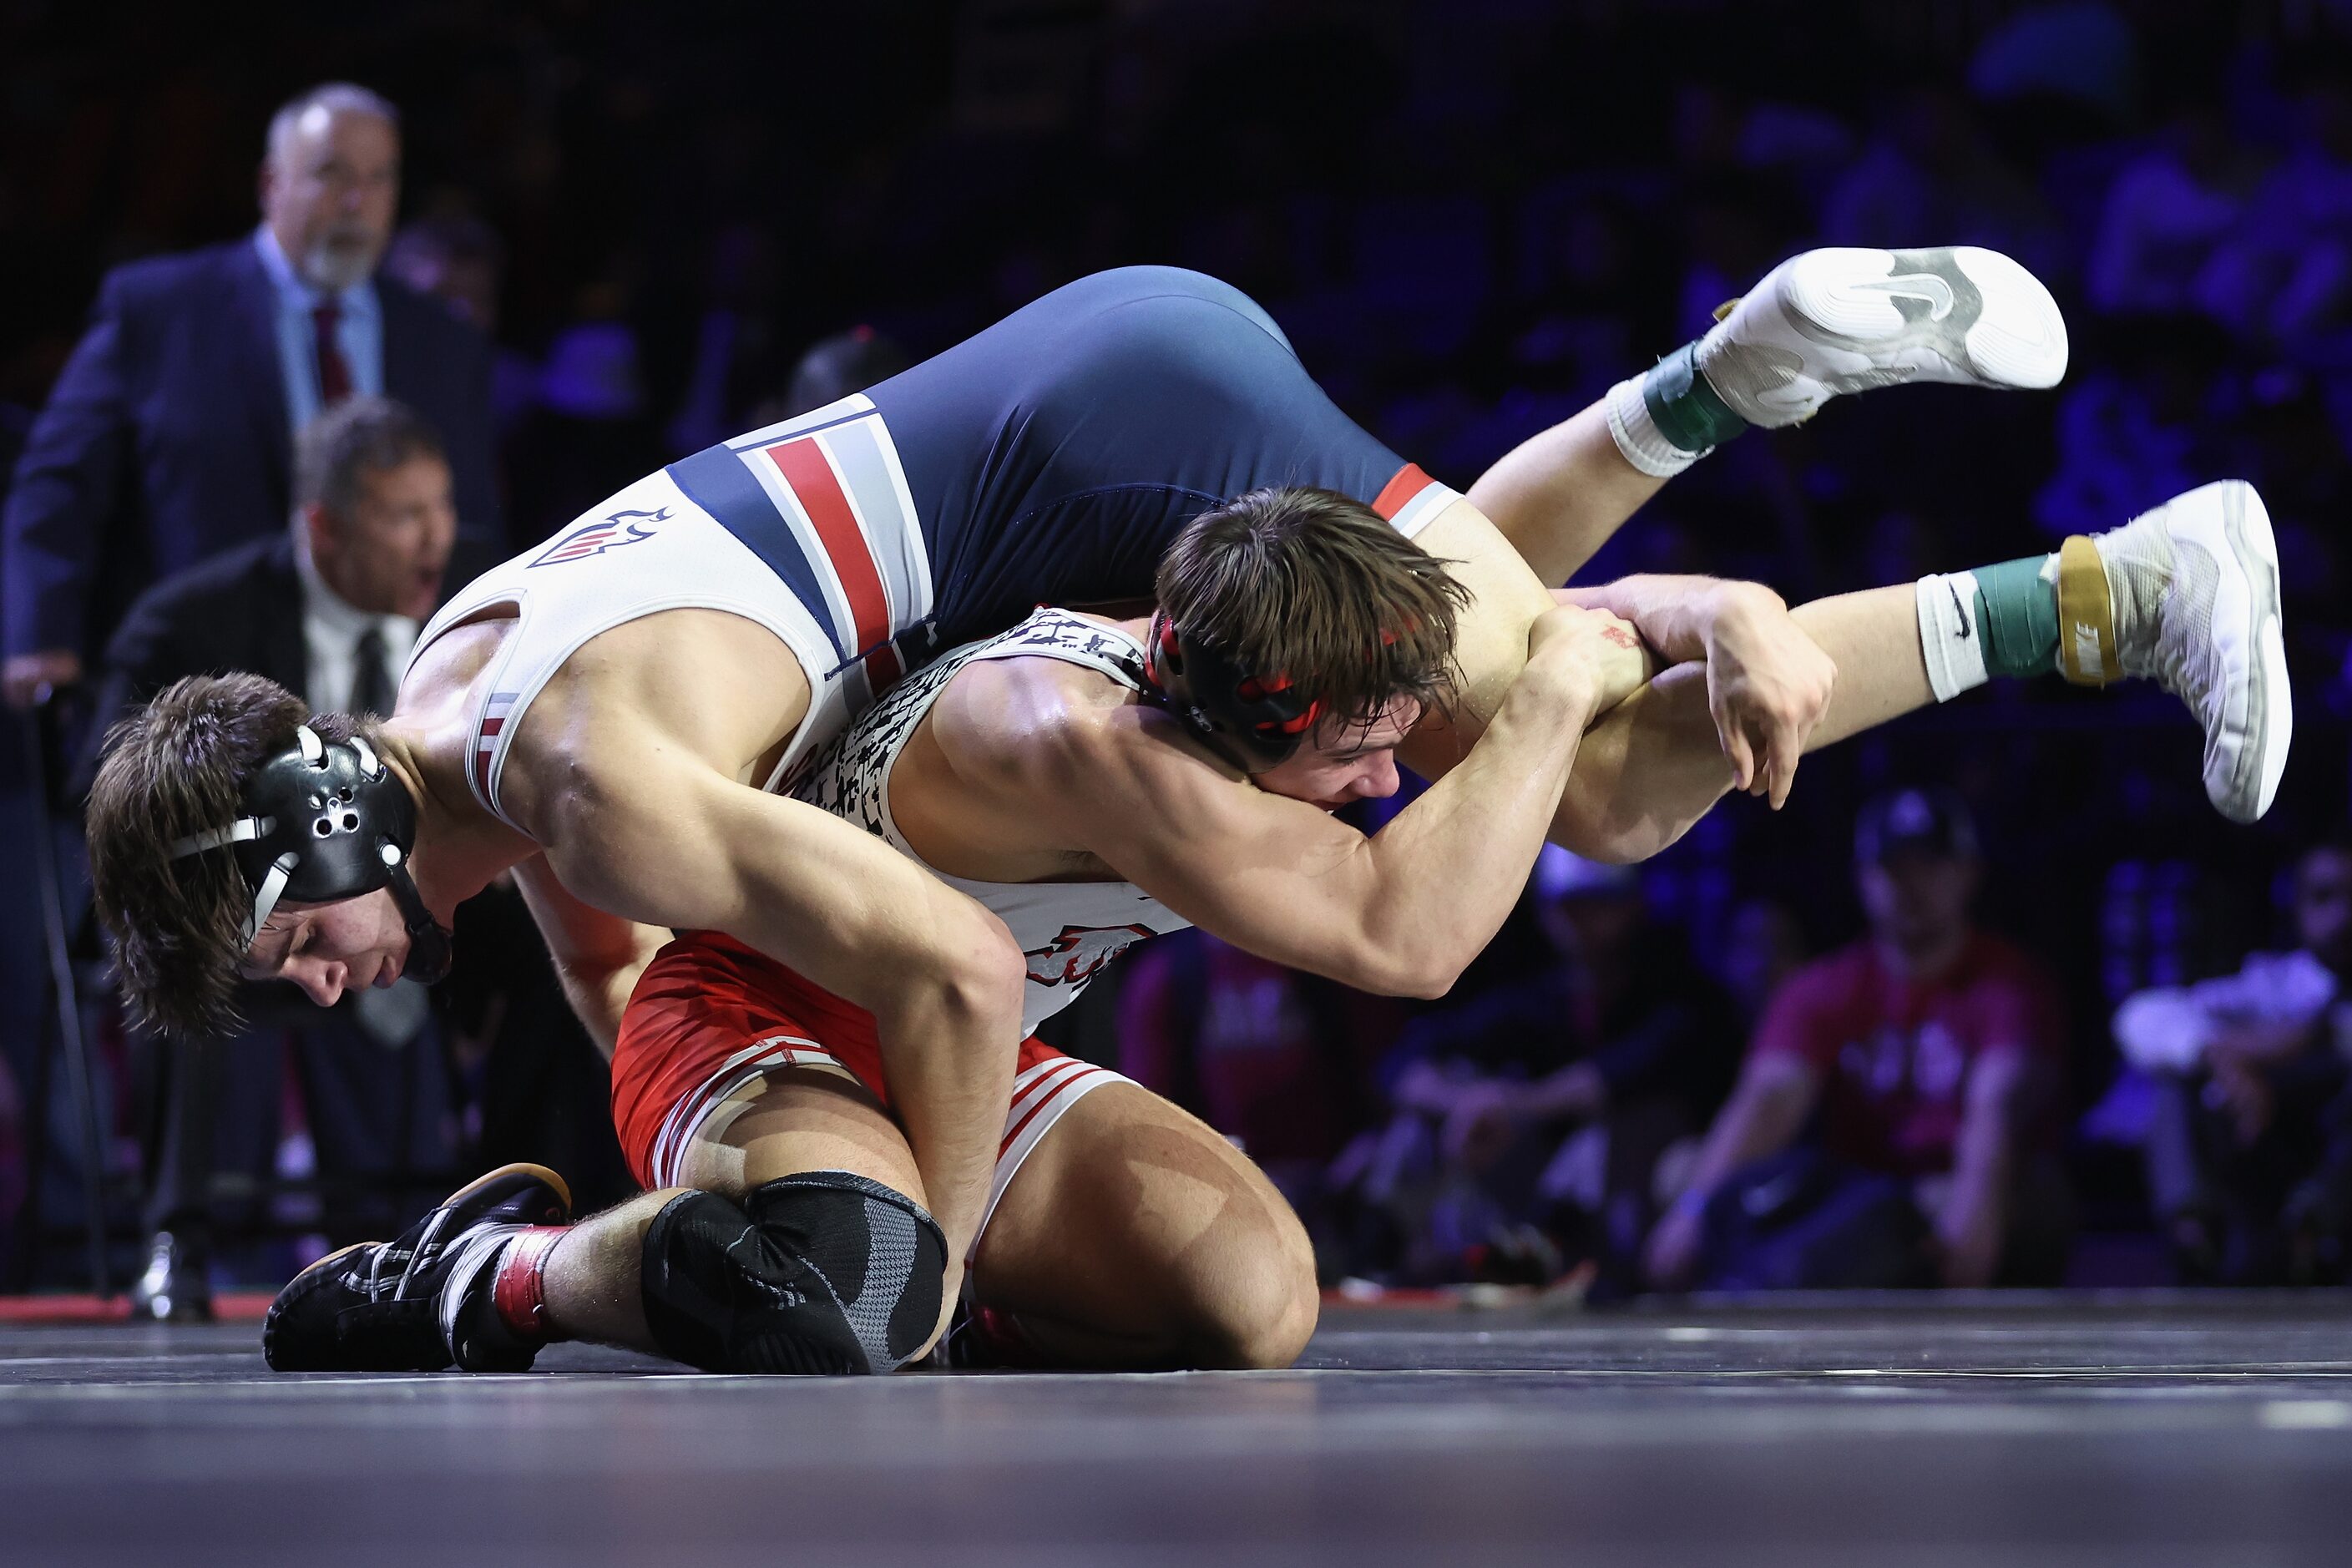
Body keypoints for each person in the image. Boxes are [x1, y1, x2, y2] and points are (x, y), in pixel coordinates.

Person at [87, 250, 2280, 1368]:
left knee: (1571, 778)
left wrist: (1614, 644)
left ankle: (1929, 506)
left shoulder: (601, 770)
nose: (326, 994)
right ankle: (1754, 428)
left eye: (290, 954)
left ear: (321, 860)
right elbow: (618, 947)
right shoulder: (475, 682)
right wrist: (1598, 642)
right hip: (1081, 444)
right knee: (1518, 762)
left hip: (1080, 470)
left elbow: (1385, 926)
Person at [77, 397, 463, 1316]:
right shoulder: (192, 618)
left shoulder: (480, 598)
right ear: (323, 526)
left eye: (441, 507)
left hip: (444, 893)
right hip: (271, 909)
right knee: (188, 952)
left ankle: (541, 1217)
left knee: (563, 936)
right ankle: (179, 1236)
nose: (434, 540)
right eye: (403, 516)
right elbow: (101, 793)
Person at [3, 83, 500, 710]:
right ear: (271, 184)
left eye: (380, 179)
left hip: (391, 689)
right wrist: (39, 635)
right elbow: (59, 484)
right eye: (331, 174)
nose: (357, 202)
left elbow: (475, 518)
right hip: (197, 689)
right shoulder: (159, 312)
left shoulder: (443, 341)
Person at [1641, 789, 2073, 1292]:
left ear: (1968, 873)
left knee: (2033, 1193)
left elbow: (1995, 1110)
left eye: (1929, 866)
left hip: (1948, 1186)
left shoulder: (2010, 983)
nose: (1911, 886)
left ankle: (1789, 1279)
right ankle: (1778, 1278)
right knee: (1681, 1171)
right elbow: (1769, 1100)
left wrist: (1972, 1218)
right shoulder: (1825, 986)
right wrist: (1692, 1211)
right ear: (1863, 880)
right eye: (1893, 868)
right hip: (1849, 1188)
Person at [1352, 847, 1739, 1286]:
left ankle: (1605, 1282)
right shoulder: (1538, 999)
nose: (1583, 922)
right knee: (1414, 1130)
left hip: (1635, 1190)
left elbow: (1615, 1078)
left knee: (1609, 1137)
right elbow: (1404, 1061)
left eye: (1599, 905)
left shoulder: (1680, 994)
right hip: (1531, 1185)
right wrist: (1468, 1102)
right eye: (1569, 906)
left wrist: (1507, 1104)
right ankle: (1381, 1264)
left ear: (1634, 907)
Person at [2117, 830, 2352, 1282]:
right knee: (2170, 1084)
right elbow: (2139, 1018)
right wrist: (2219, 1055)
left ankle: (2313, 1234)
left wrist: (2304, 1037)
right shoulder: (2271, 985)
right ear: (2298, 907)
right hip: (2257, 1150)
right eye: (2325, 897)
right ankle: (2194, 1241)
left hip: (2334, 1181)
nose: (2345, 915)